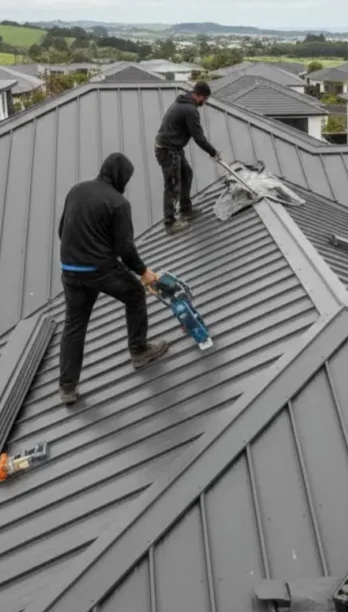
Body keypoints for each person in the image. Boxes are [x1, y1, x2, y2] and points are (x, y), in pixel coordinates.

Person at [57, 152, 169, 405]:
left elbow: (62, 230)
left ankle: (67, 387)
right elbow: (125, 249)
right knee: (135, 295)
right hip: (99, 270)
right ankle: (139, 351)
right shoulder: (118, 203)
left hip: (70, 270)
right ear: (121, 178)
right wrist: (144, 273)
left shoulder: (77, 190)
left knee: (74, 324)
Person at [154, 81, 221, 232]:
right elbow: (198, 137)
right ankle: (170, 223)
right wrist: (213, 152)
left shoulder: (182, 102)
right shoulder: (190, 110)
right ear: (199, 96)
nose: (205, 102)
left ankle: (185, 209)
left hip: (173, 148)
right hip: (168, 150)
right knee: (172, 185)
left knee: (186, 174)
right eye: (205, 99)